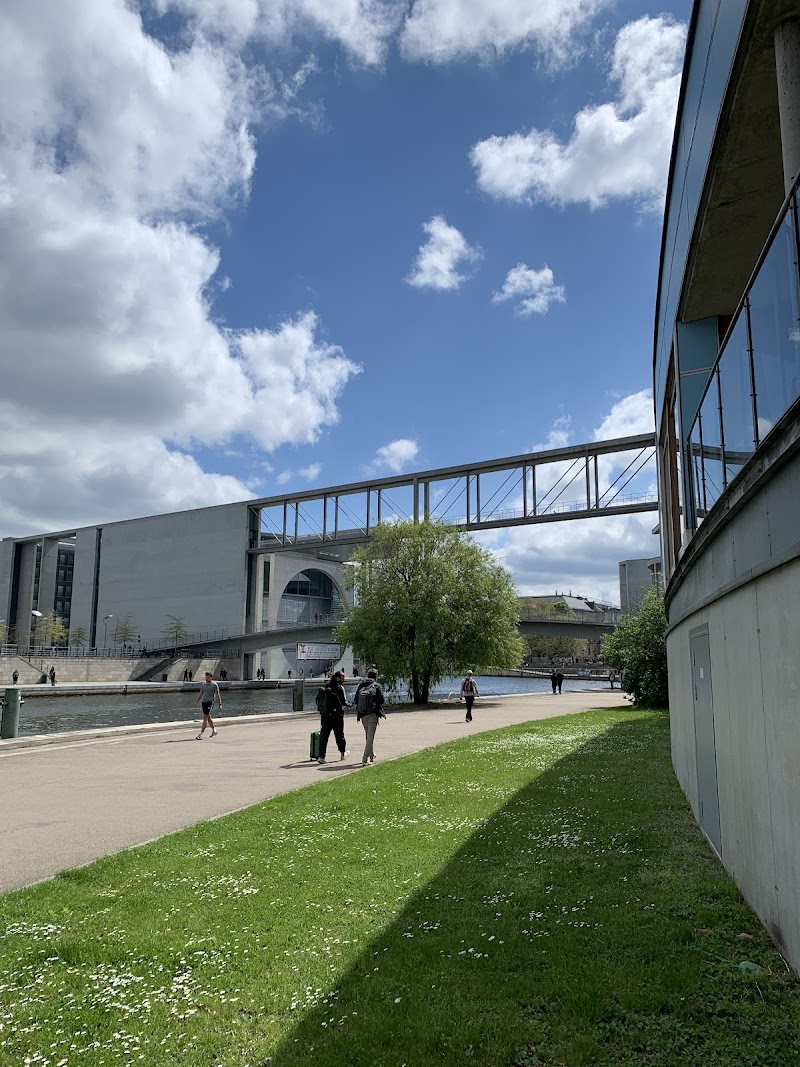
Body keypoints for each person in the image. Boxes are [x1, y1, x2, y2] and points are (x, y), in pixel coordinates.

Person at [353, 668, 386, 765]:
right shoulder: (377, 686)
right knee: (370, 737)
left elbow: (356, 700)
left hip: (362, 715)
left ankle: (371, 755)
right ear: (376, 676)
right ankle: (364, 759)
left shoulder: (361, 685)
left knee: (368, 736)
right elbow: (382, 700)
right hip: (372, 714)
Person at [317, 669, 350, 765]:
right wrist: (352, 704)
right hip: (337, 715)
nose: (344, 679)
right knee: (339, 735)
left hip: (325, 715)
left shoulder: (326, 686)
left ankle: (321, 756)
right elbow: (344, 702)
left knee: (324, 735)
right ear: (338, 678)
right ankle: (342, 754)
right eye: (342, 677)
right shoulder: (340, 688)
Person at [193, 671, 222, 739]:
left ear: (211, 677)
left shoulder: (214, 685)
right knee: (208, 717)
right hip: (204, 702)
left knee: (205, 717)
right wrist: (196, 701)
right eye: (206, 677)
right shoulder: (203, 685)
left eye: (208, 677)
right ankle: (214, 730)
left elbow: (218, 694)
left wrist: (220, 704)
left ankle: (200, 734)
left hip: (210, 702)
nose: (206, 678)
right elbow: (201, 693)